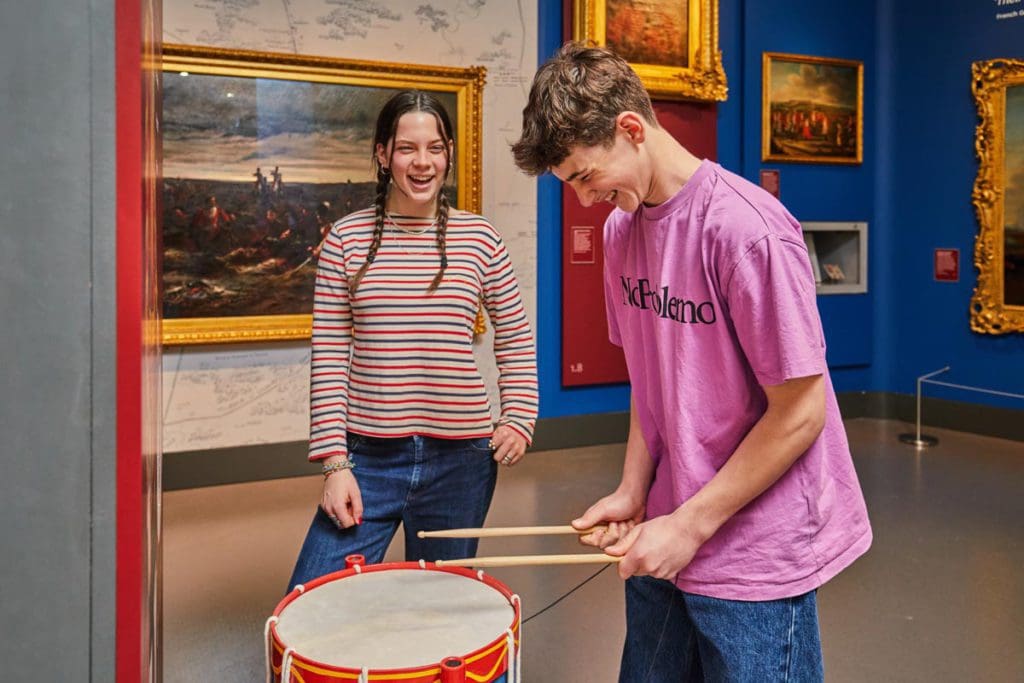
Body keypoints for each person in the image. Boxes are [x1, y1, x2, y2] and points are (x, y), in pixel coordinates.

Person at [512, 43, 871, 682]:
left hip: (756, 543)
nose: (585, 200)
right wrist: (633, 490)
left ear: (630, 130)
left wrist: (690, 524)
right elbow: (652, 386)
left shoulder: (747, 230)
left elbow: (801, 413)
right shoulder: (622, 231)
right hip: (668, 522)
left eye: (584, 177)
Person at [288, 90, 538, 589]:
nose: (422, 163)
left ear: (448, 153)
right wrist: (334, 464)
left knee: (438, 606)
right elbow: (331, 357)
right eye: (406, 148)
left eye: (435, 148)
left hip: (462, 460)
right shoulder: (346, 239)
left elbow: (514, 334)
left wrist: (519, 414)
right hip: (368, 459)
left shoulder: (480, 239)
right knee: (312, 599)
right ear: (383, 155)